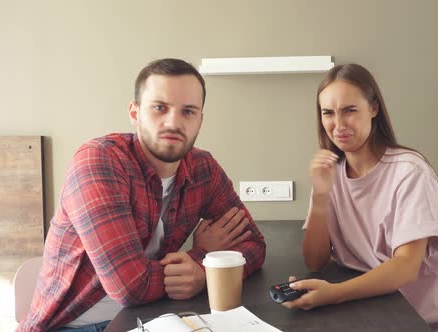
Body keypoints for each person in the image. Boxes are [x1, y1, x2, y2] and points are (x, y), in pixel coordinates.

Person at [17, 58, 266, 332]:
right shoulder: (99, 161)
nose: (173, 122)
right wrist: (204, 255)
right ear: (135, 114)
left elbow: (254, 245)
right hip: (72, 326)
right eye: (160, 108)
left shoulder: (203, 168)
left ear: (200, 121)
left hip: (152, 316)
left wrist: (202, 272)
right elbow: (130, 287)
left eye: (188, 111)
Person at [282, 64, 438, 332]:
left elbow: (405, 267)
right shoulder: (330, 172)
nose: (338, 124)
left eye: (349, 110)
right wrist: (321, 196)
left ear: (373, 108)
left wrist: (332, 293)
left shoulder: (410, 172)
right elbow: (315, 261)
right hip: (387, 313)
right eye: (328, 113)